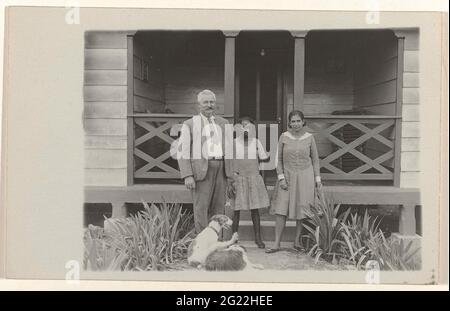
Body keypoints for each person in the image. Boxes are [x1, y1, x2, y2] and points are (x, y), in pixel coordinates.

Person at [177, 90, 234, 235]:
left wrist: (231, 174)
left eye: (212, 102)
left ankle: (216, 242)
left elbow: (230, 149)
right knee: (201, 208)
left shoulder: (224, 123)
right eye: (205, 102)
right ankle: (203, 243)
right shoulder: (189, 124)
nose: (209, 105)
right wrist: (187, 175)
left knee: (219, 209)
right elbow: (182, 151)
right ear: (199, 105)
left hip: (221, 169)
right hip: (202, 170)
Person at [266, 110, 322, 253]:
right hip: (288, 177)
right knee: (281, 210)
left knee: (302, 210)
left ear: (303, 122)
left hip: (305, 177)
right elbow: (278, 160)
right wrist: (281, 177)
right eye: (293, 121)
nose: (296, 124)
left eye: (298, 121)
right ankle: (276, 243)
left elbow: (315, 160)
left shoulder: (310, 138)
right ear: (289, 123)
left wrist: (317, 179)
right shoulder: (284, 137)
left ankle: (297, 241)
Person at [229, 117, 270, 248]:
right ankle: (233, 238)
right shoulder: (234, 143)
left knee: (255, 209)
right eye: (243, 126)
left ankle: (258, 237)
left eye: (248, 127)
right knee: (236, 210)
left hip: (253, 178)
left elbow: (264, 158)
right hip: (238, 178)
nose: (245, 129)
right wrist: (232, 179)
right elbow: (230, 161)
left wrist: (260, 154)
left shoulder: (256, 142)